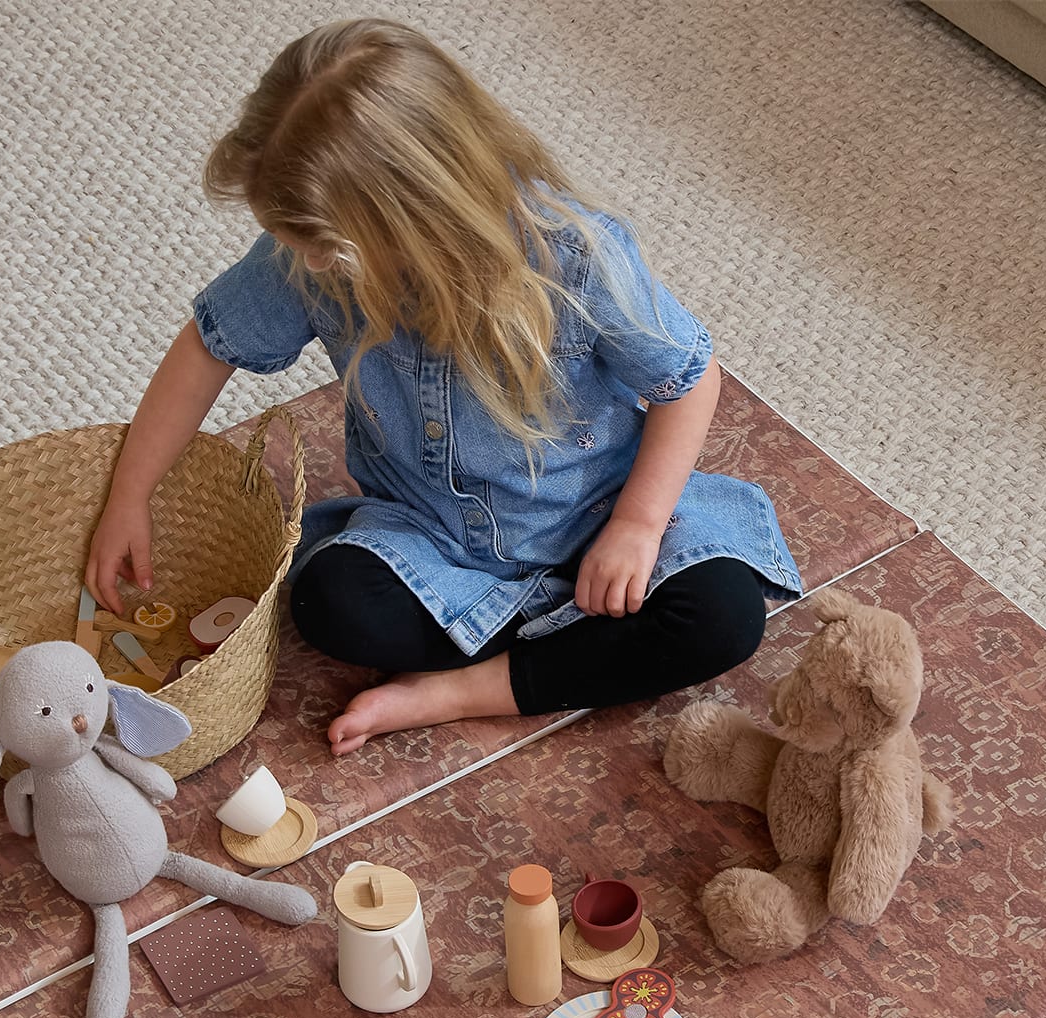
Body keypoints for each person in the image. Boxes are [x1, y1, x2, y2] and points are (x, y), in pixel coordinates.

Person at [86, 18, 801, 756]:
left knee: (722, 618)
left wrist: (638, 526)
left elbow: (689, 379)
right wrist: (130, 494)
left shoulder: (576, 257)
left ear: (418, 219)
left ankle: (462, 690)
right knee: (331, 604)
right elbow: (211, 342)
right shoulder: (311, 254)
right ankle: (553, 655)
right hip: (431, 537)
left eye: (327, 249)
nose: (304, 260)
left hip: (599, 510)